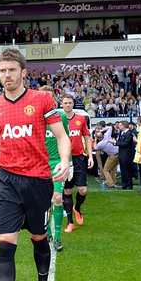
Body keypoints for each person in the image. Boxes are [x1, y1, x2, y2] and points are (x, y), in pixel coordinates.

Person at [0, 49, 70, 281]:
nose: (6, 75)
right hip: (6, 181)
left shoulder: (42, 100)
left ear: (23, 72)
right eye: (2, 70)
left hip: (37, 181)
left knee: (38, 238)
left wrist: (65, 161)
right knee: (5, 247)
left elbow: (61, 136)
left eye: (11, 70)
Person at [41, 85, 71, 252]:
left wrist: (69, 162)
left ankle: (57, 236)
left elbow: (65, 139)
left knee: (57, 198)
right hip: (41, 163)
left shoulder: (60, 116)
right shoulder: (35, 118)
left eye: (49, 97)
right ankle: (48, 232)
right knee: (44, 199)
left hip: (57, 162)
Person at [61, 94, 93, 233]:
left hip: (79, 157)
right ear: (62, 105)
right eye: (65, 103)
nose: (67, 105)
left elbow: (86, 137)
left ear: (73, 104)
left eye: (70, 102)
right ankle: (70, 221)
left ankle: (77, 207)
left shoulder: (80, 119)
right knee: (67, 190)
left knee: (83, 190)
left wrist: (90, 156)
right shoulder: (58, 120)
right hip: (65, 158)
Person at [112, 120, 136, 190]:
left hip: (126, 155)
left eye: (120, 125)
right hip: (122, 154)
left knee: (127, 170)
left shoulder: (128, 134)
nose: (119, 127)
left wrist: (116, 142)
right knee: (123, 170)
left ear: (123, 126)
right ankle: (124, 184)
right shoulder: (122, 133)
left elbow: (125, 144)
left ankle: (129, 185)